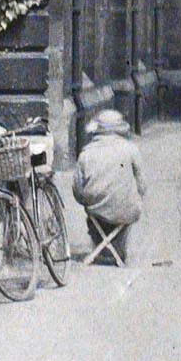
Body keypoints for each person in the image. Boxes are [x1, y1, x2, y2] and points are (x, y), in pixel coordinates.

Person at [71, 108, 145, 258]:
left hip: (96, 210)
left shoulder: (86, 153)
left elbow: (77, 190)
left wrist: (89, 200)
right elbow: (142, 185)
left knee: (96, 214)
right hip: (127, 209)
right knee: (124, 209)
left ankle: (101, 246)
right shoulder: (131, 149)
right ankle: (117, 248)